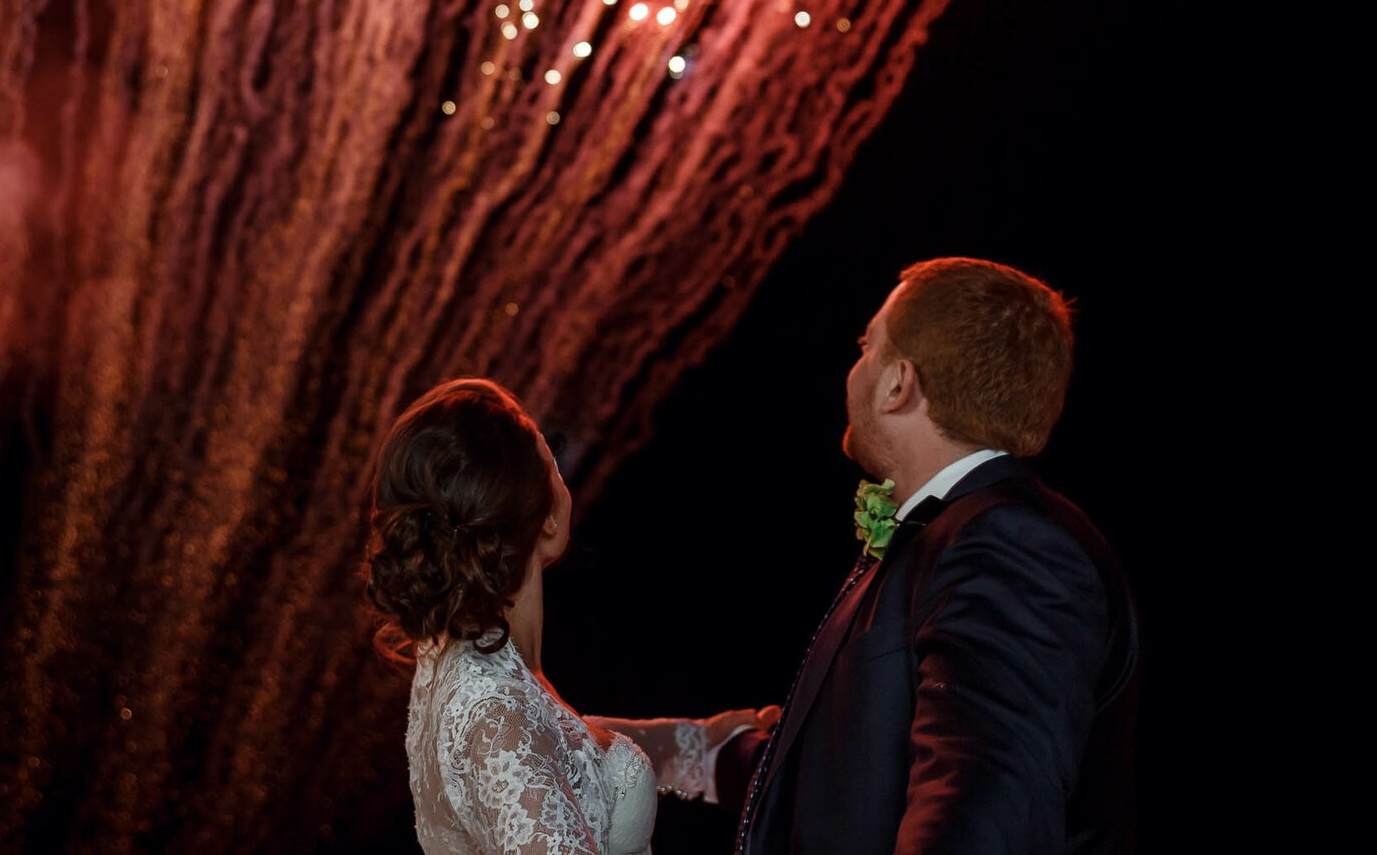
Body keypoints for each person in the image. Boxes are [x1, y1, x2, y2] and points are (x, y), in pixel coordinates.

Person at [601, 257, 1140, 853]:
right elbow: (859, 784)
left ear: (898, 384)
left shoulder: (1012, 545)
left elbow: (978, 818)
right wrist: (675, 751)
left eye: (867, 346)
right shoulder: (953, 534)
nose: (855, 367)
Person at [366, 378, 767, 854]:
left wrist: (696, 747)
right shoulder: (497, 714)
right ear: (548, 517)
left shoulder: (470, 657)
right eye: (551, 461)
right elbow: (517, 741)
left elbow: (557, 746)